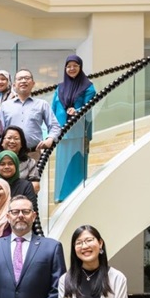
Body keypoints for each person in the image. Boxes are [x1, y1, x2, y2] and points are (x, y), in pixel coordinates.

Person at [51, 55, 97, 202]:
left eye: (75, 66)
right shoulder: (59, 88)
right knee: (62, 165)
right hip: (62, 133)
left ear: (80, 67)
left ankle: (77, 196)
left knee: (76, 165)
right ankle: (61, 195)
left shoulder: (88, 87)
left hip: (79, 132)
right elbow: (53, 109)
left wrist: (77, 111)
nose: (71, 69)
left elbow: (90, 106)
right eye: (69, 66)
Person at [0, 69, 61, 161]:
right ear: (14, 85)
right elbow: (0, 130)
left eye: (27, 78)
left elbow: (55, 126)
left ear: (33, 83)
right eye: (20, 79)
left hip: (33, 154)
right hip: (10, 155)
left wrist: (50, 139)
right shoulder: (5, 106)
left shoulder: (42, 104)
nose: (23, 81)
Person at [0, 125, 41, 196]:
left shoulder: (29, 162)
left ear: (22, 144)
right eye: (9, 138)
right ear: (2, 142)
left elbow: (35, 185)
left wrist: (17, 199)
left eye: (16, 138)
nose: (12, 141)